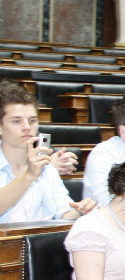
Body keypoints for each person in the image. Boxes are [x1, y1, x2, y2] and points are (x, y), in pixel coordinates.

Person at [0, 82, 96, 222]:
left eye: (32, 120)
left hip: (41, 241)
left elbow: (63, 212)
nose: (27, 127)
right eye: (16, 121)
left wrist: (81, 210)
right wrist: (29, 175)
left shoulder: (46, 167)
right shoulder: (40, 167)